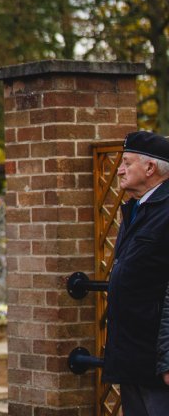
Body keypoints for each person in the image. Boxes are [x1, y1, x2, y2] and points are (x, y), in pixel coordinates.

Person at [102, 131, 169, 415]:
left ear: (150, 168)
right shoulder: (135, 209)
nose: (119, 170)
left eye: (127, 163)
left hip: (156, 363)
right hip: (132, 359)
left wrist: (167, 358)